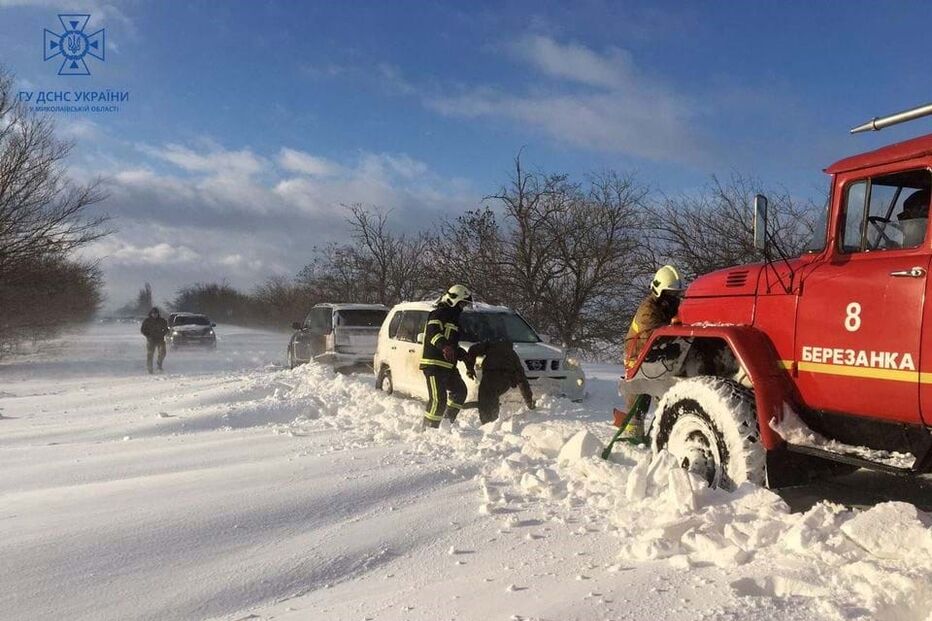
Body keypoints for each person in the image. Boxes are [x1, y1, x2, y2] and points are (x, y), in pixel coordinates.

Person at [621, 265, 683, 437]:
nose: (674, 298)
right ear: (658, 291)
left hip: (655, 356)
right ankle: (632, 431)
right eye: (670, 294)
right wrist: (674, 327)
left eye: (676, 294)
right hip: (636, 355)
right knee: (639, 391)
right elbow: (654, 333)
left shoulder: (668, 307)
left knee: (661, 392)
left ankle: (658, 430)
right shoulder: (648, 310)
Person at [420, 284, 472, 428]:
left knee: (460, 392)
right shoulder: (438, 314)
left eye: (464, 304)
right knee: (438, 399)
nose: (462, 307)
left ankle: (446, 424)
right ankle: (429, 429)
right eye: (461, 303)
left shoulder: (454, 320)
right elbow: (433, 333)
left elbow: (453, 344)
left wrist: (463, 355)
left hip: (448, 366)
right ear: (453, 299)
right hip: (434, 364)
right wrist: (444, 346)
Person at [464, 340, 534, 424]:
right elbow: (522, 379)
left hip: (489, 377)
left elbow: (473, 350)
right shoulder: (513, 355)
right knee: (492, 397)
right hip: (504, 380)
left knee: (485, 399)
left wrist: (470, 368)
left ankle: (487, 422)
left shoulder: (490, 346)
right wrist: (528, 400)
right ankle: (493, 420)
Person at [140, 307, 169, 374]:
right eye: (153, 313)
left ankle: (159, 364)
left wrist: (163, 333)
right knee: (150, 354)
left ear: (158, 314)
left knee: (163, 353)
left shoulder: (162, 321)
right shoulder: (147, 321)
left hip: (160, 339)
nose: (155, 315)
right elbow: (143, 330)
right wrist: (148, 335)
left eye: (156, 313)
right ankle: (150, 368)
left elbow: (166, 329)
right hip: (151, 340)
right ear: (151, 314)